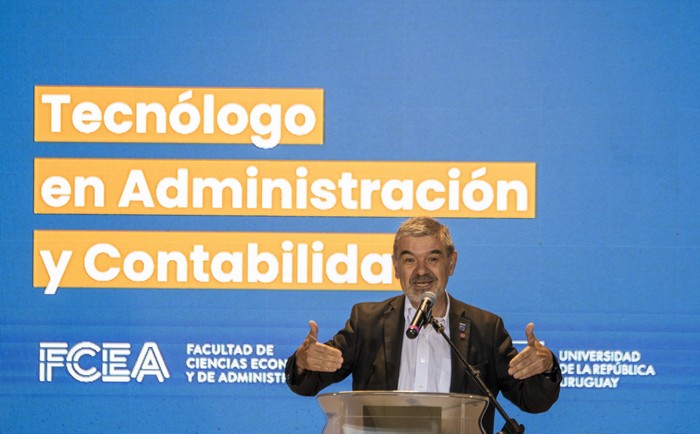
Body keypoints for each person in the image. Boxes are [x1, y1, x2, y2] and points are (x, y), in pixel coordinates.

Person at [285, 217, 561, 434]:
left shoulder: (485, 328)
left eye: (432, 258)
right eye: (409, 260)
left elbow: (534, 401)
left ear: (450, 263)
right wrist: (303, 362)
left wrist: (546, 367)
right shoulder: (367, 321)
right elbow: (307, 384)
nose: (421, 271)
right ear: (395, 267)